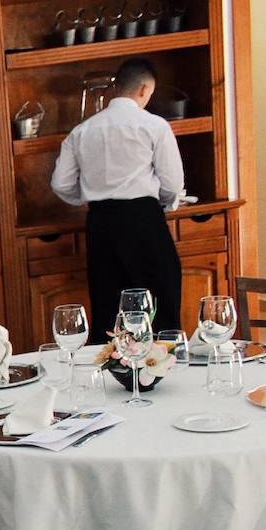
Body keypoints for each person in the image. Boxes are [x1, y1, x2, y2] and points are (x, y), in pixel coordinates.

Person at [51, 57, 184, 337]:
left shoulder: (81, 131)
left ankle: (110, 374)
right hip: (144, 218)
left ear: (117, 88)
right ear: (144, 89)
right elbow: (173, 182)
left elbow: (61, 183)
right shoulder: (154, 126)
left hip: (100, 223)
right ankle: (161, 368)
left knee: (108, 306)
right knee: (161, 302)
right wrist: (165, 202)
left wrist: (89, 198)